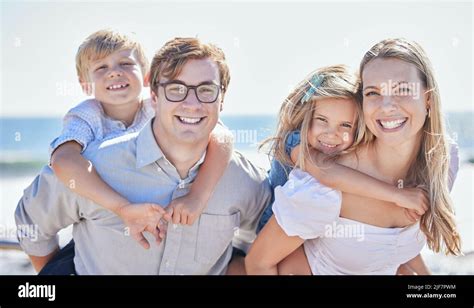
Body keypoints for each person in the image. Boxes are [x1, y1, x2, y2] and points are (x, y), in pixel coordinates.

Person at [15, 37, 271, 275]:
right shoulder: (94, 161)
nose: (192, 103)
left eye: (206, 90)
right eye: (176, 89)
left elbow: (267, 244)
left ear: (222, 99)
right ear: (154, 96)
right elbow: (33, 222)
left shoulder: (245, 181)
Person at [246, 39, 461, 275]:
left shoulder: (443, 160)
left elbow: (394, 251)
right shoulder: (321, 188)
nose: (387, 106)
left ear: (428, 99)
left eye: (402, 90)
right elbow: (259, 262)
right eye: (373, 92)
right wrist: (397, 195)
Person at [48, 29, 235, 251]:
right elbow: (63, 161)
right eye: (101, 67)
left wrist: (198, 196)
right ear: (85, 84)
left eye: (125, 64)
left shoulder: (158, 105)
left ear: (147, 76)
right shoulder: (87, 115)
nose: (114, 73)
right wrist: (122, 208)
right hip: (103, 219)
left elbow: (222, 136)